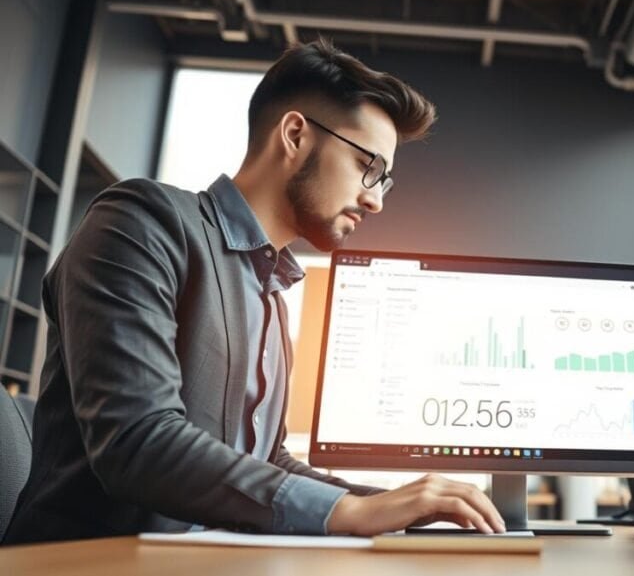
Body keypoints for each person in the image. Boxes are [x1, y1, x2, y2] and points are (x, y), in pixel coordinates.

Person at [3, 39, 505, 545]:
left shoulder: (270, 294)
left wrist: (389, 506)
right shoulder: (140, 223)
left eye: (385, 181)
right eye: (368, 167)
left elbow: (266, 463)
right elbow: (137, 442)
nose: (375, 200)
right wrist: (349, 513)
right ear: (295, 135)